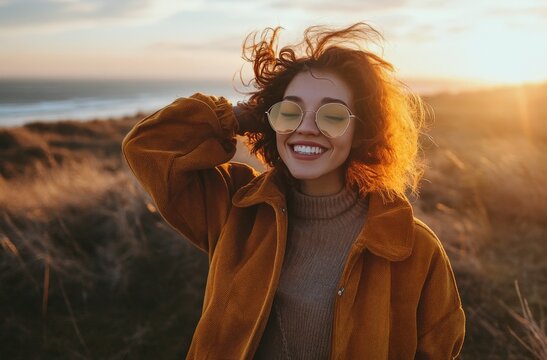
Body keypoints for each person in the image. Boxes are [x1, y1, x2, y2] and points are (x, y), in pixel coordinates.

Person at [122, 22, 465, 359]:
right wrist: (242, 115)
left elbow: (438, 349)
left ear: (361, 131)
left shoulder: (412, 247)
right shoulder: (235, 207)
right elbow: (148, 147)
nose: (306, 128)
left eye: (332, 116)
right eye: (291, 112)